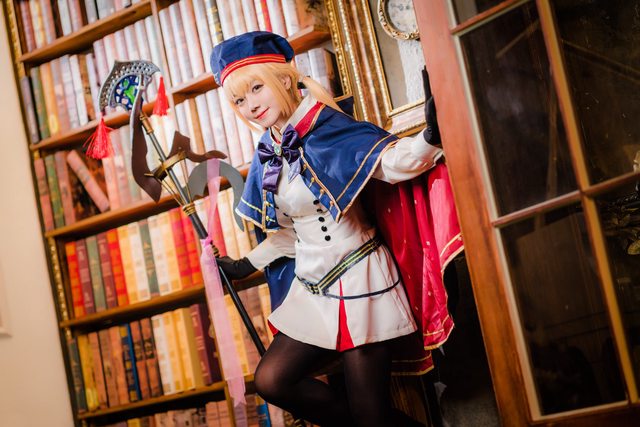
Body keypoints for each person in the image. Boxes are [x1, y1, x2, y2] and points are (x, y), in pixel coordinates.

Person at [210, 31, 451, 427]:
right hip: (314, 287)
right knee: (272, 380)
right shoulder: (268, 153)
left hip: (361, 278)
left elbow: (390, 164)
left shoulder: (327, 127)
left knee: (370, 415)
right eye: (239, 100)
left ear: (284, 79)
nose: (250, 105)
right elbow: (292, 232)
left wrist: (428, 138)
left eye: (256, 88)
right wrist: (245, 265)